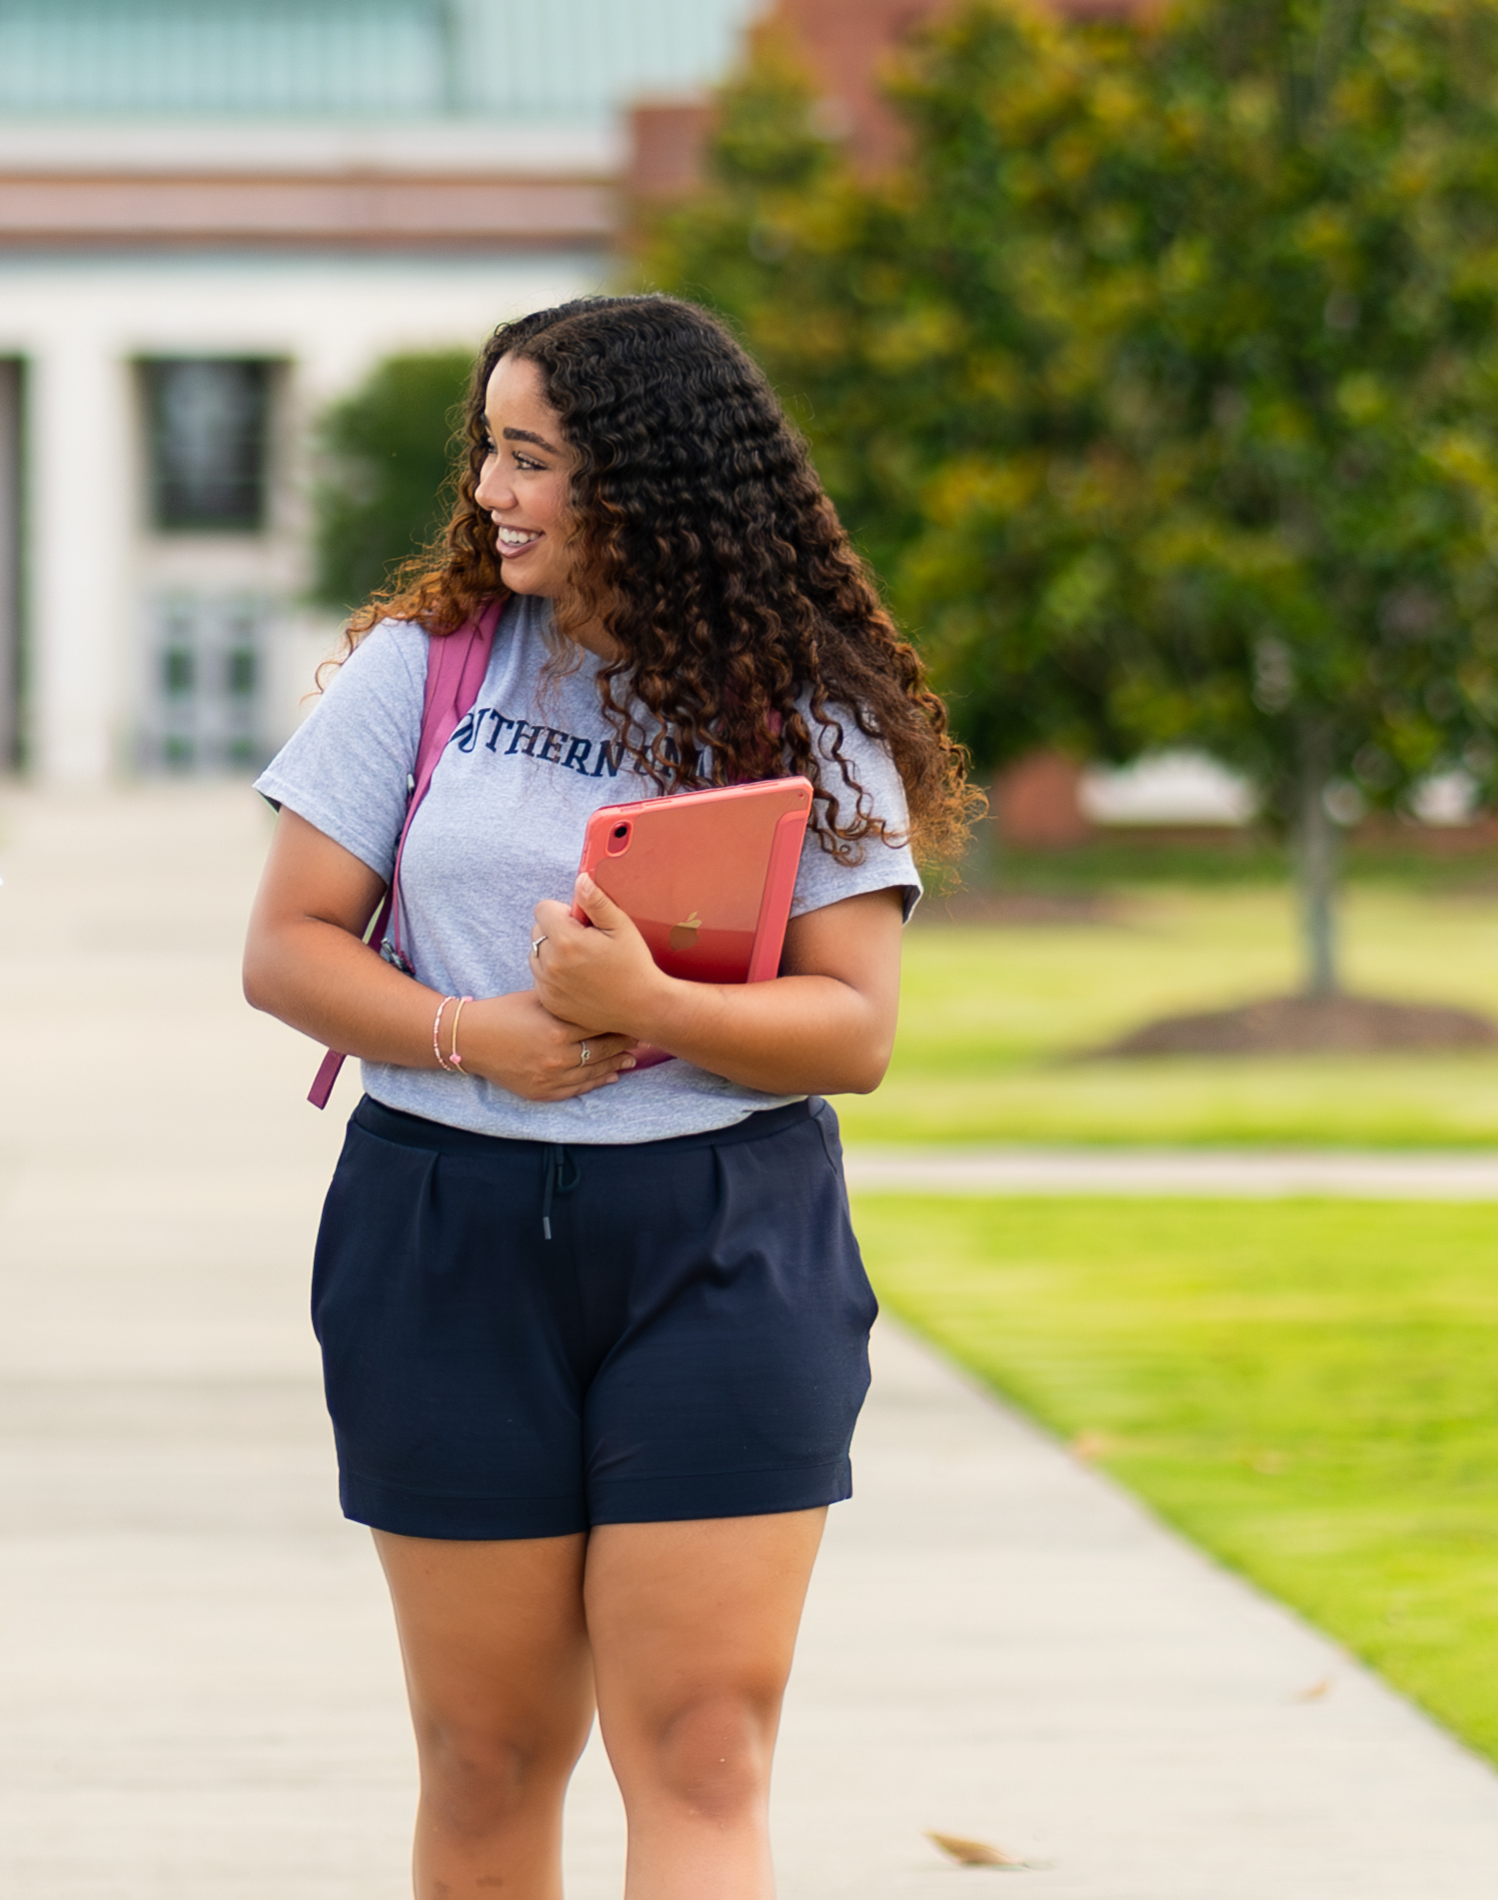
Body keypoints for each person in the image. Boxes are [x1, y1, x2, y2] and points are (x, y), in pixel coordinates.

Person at [240, 293, 976, 1898]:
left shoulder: (805, 714)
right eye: (490, 453)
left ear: (646, 483)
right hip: (443, 1230)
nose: (493, 493)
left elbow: (855, 1028)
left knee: (705, 1745)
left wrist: (645, 1006)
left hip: (722, 1239)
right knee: (489, 1753)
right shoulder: (419, 674)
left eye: (535, 461)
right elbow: (288, 950)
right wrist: (470, 1034)